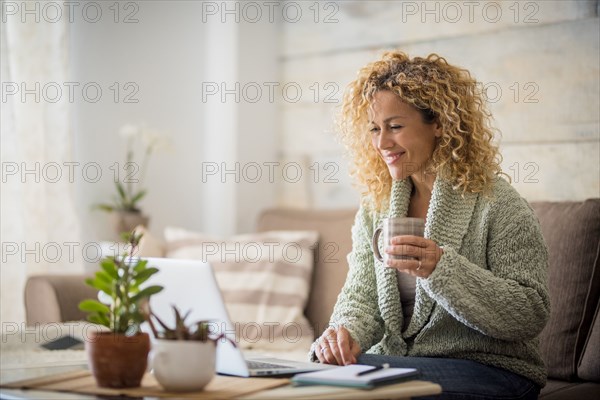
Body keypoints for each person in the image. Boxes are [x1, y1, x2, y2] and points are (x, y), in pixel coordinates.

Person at [309, 51, 550, 400]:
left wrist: (442, 268)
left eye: (395, 127)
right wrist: (343, 333)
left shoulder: (497, 203)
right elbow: (361, 297)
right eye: (374, 129)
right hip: (406, 362)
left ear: (438, 123)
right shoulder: (376, 207)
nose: (381, 143)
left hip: (494, 369)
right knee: (318, 375)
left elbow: (530, 312)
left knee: (358, 388)